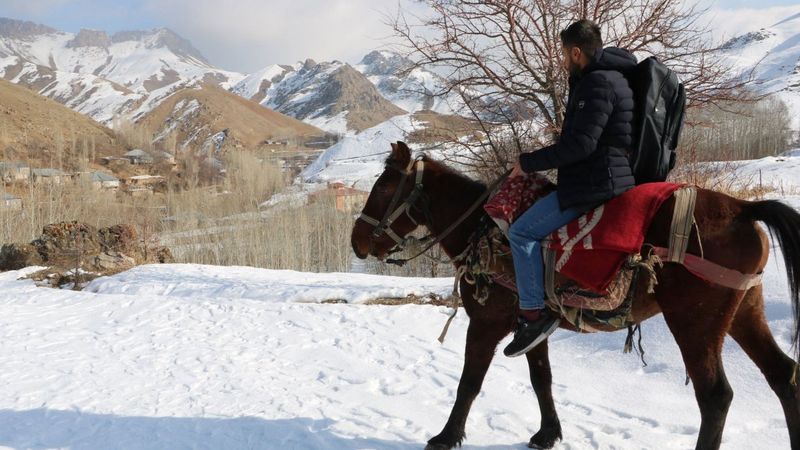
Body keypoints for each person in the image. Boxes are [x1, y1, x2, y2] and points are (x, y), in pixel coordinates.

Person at [503, 20, 637, 357]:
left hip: (594, 184)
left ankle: (532, 314)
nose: (563, 62)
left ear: (576, 52)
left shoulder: (596, 84)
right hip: (608, 176)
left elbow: (580, 146)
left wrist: (527, 163)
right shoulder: (615, 77)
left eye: (564, 54)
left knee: (521, 233)